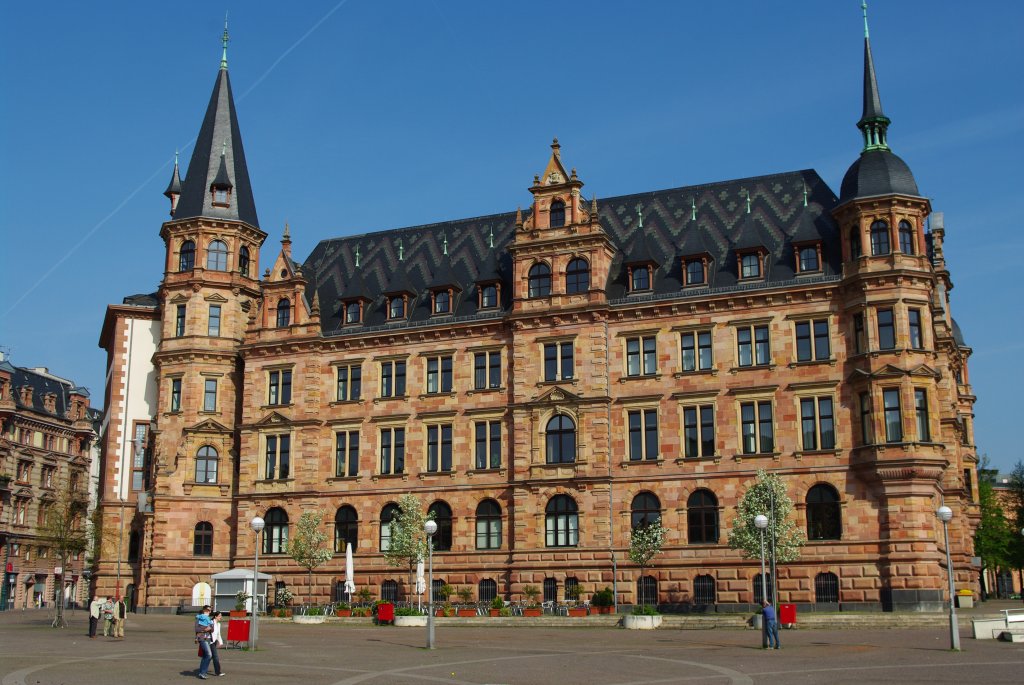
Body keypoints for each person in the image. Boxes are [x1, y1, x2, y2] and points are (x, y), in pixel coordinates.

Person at [195, 606, 214, 679]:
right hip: (202, 638)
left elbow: (212, 629)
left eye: (210, 610)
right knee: (209, 655)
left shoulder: (208, 619)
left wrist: (210, 627)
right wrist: (206, 629)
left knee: (205, 656)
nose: (210, 612)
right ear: (204, 610)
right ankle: (202, 672)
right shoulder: (198, 618)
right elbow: (197, 629)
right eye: (208, 610)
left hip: (208, 638)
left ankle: (202, 672)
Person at [210, 611, 226, 677]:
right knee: (215, 657)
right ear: (215, 616)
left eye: (221, 616)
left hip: (214, 642)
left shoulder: (219, 624)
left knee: (208, 657)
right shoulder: (211, 622)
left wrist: (221, 642)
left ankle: (202, 670)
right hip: (210, 641)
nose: (221, 617)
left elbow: (218, 634)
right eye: (219, 616)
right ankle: (218, 672)